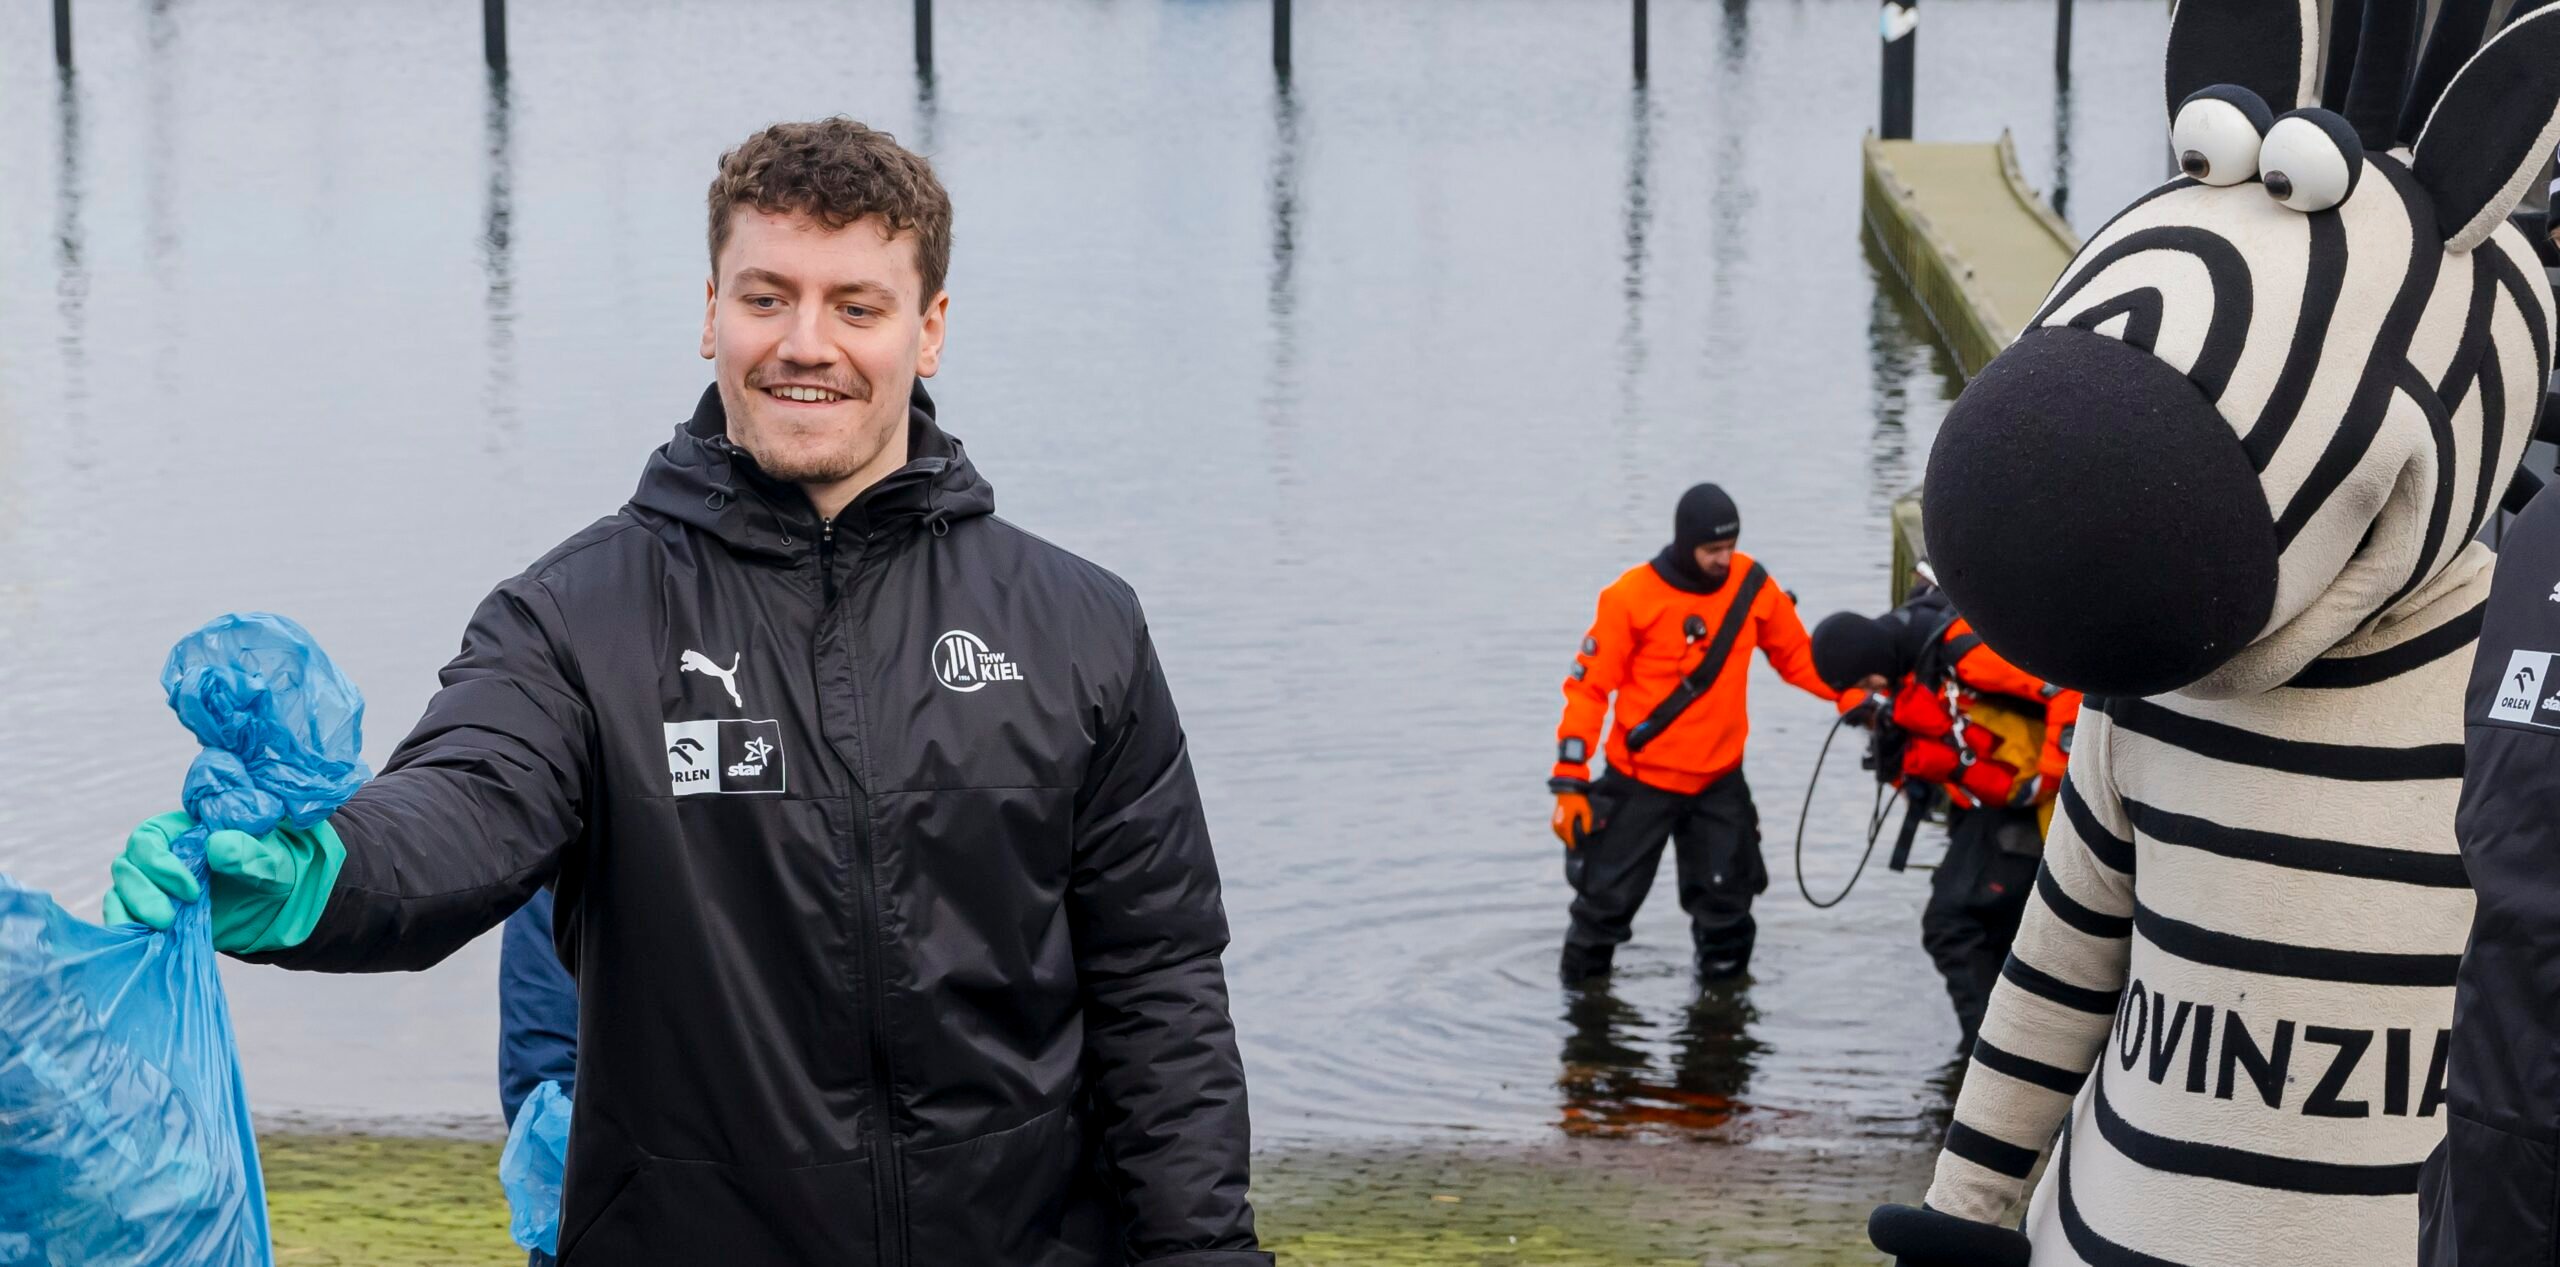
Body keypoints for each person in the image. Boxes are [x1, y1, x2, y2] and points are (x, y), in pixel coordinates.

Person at [100, 118, 1270, 1267]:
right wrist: (320, 872)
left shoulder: (1078, 624)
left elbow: (1158, 985)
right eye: (766, 298)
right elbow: (463, 806)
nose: (806, 342)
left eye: (856, 306)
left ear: (930, 331)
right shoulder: (573, 617)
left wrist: (1205, 1248)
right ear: (709, 313)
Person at [1549, 483, 1839, 984]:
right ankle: (1582, 1030)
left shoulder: (1751, 585)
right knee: (1601, 909)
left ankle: (1722, 1032)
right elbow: (1588, 689)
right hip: (1639, 780)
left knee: (1728, 914)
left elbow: (1798, 658)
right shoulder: (1630, 598)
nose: (1723, 559)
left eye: (1730, 547)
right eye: (1712, 550)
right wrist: (1570, 779)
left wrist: (1853, 694)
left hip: (1718, 781)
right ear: (1686, 543)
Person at [1808, 578, 2079, 1050]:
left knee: (1952, 925)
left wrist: (2047, 777)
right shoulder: (1902, 659)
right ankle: (2021, 1045)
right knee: (1997, 928)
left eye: (1866, 683)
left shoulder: (1959, 653)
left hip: (2037, 804)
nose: (1873, 693)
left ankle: (1993, 1055)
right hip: (1994, 803)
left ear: (1873, 663)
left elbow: (2068, 689)